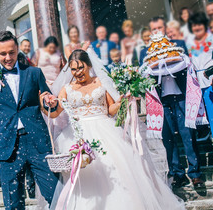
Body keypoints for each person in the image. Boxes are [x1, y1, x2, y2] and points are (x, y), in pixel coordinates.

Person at [42, 50, 184, 210]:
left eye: (81, 67)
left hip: (105, 131)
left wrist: (123, 101)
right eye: (74, 69)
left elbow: (110, 109)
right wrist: (43, 103)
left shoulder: (100, 82)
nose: (78, 73)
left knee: (116, 172)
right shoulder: (67, 89)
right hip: (78, 135)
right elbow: (54, 113)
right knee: (85, 178)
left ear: (88, 65)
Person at [0, 31, 58, 209]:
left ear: (17, 49)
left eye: (11, 52)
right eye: (3, 54)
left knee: (56, 194)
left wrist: (50, 101)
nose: (8, 58)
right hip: (6, 147)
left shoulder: (34, 73)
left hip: (37, 142)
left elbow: (48, 101)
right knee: (13, 204)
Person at [186, 12, 213, 91]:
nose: (197, 28)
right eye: (194, 26)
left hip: (211, 76)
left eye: (199, 25)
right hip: (199, 82)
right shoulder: (189, 43)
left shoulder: (211, 38)